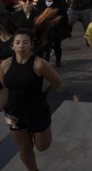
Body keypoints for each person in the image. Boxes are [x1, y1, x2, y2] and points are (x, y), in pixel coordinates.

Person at [0, 28, 62, 171]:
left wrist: (44, 94)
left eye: (25, 42)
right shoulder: (5, 65)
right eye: (18, 42)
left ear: (31, 45)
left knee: (42, 146)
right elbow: (4, 85)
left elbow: (57, 82)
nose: (21, 45)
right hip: (13, 112)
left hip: (36, 111)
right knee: (24, 147)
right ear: (12, 45)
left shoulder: (39, 64)